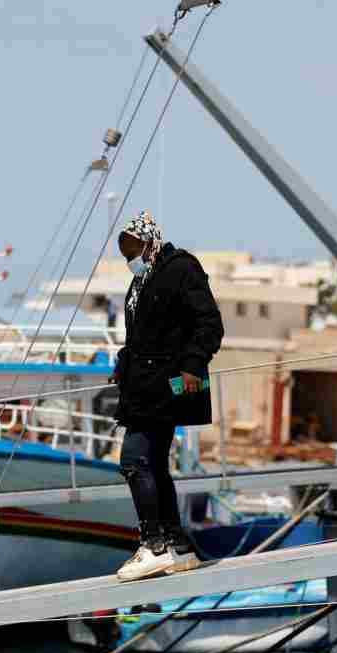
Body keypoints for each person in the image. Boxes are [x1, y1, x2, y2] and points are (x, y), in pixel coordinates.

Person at [111, 211, 224, 581]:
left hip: (170, 383)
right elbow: (141, 339)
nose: (130, 260)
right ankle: (178, 546)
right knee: (154, 463)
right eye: (125, 253)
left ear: (150, 242)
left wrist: (193, 364)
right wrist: (123, 364)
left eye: (134, 250)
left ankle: (153, 546)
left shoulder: (181, 269)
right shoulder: (138, 285)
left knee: (134, 460)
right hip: (143, 387)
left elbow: (209, 323)